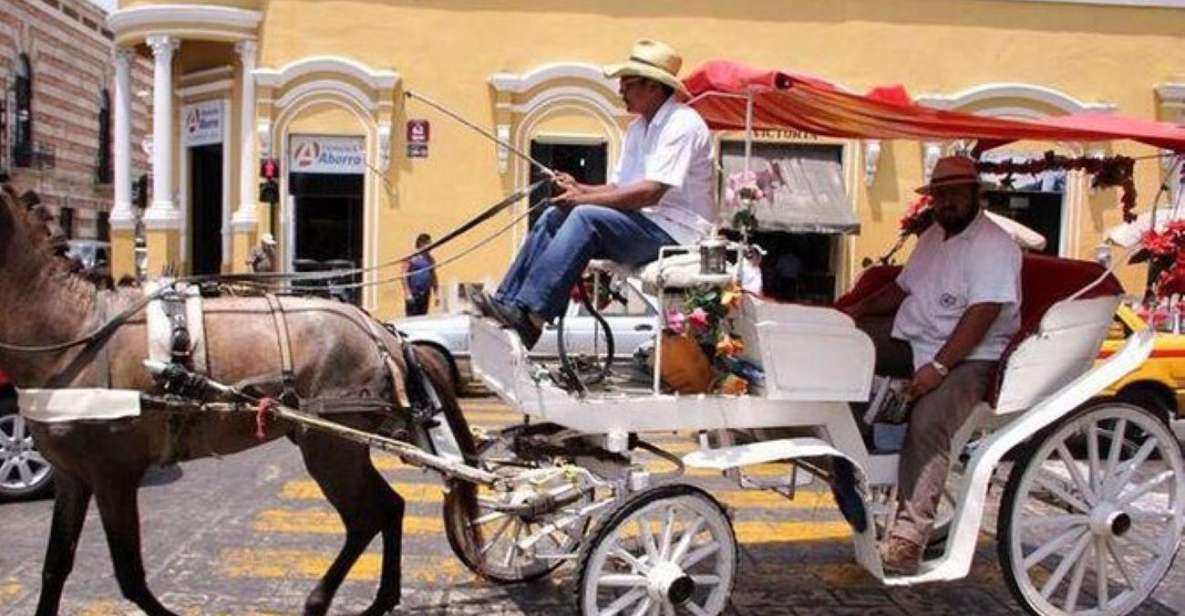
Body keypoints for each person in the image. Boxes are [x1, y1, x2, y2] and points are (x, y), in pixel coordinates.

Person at [839, 155, 1022, 575]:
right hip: (913, 338)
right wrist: (852, 313)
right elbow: (901, 290)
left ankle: (907, 540)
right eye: (940, 194)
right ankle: (847, 450)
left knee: (928, 423)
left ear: (978, 194)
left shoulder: (994, 246)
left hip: (971, 356)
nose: (946, 202)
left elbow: (983, 313)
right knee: (842, 350)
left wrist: (938, 368)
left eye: (956, 192)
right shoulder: (933, 237)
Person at [473, 39, 716, 348]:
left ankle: (533, 316)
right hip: (646, 225)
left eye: (627, 85)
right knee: (554, 214)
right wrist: (580, 188)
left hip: (676, 234)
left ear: (653, 87)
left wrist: (583, 199)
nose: (620, 92)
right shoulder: (639, 129)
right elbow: (619, 188)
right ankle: (508, 303)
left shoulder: (682, 124)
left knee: (585, 216)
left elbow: (650, 193)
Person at [402, 233, 440, 316]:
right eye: (428, 243)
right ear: (421, 243)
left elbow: (433, 276)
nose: (430, 246)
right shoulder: (412, 257)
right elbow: (403, 275)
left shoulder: (430, 259)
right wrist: (407, 293)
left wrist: (436, 294)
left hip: (425, 293)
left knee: (422, 316)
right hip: (413, 293)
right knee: (412, 317)